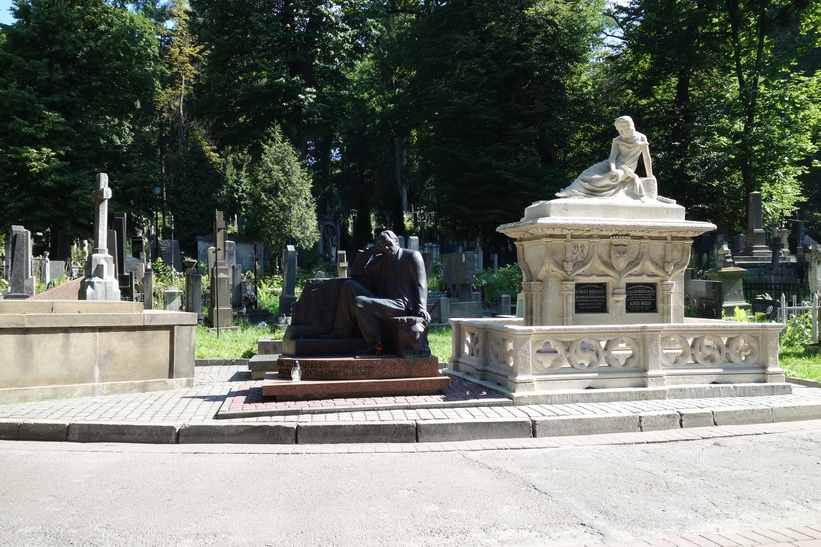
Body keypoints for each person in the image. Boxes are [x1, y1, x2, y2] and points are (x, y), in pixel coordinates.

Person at [323, 230, 430, 353]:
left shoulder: (411, 256)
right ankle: (341, 330)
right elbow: (356, 274)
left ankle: (376, 343)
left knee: (359, 302)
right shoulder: (381, 260)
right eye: (382, 245)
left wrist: (422, 308)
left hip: (402, 304)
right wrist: (368, 253)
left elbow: (420, 284)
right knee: (349, 285)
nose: (386, 247)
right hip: (383, 300)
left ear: (396, 241)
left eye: (389, 243)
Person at [556, 116, 654, 199]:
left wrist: (650, 176)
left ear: (630, 127)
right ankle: (570, 189)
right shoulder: (618, 140)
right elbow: (612, 157)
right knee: (588, 172)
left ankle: (582, 191)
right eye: (619, 131)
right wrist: (613, 168)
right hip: (613, 164)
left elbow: (646, 157)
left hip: (627, 168)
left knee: (609, 178)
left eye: (622, 130)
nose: (621, 133)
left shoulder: (641, 138)